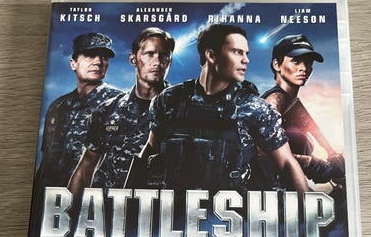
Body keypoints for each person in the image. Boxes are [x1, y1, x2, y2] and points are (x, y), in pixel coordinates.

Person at [132, 24, 308, 193]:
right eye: (237, 52)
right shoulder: (169, 100)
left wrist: (308, 209)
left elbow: (287, 164)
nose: (246, 60)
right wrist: (126, 201)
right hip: (175, 210)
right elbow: (150, 150)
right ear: (211, 55)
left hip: (231, 210)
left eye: (246, 53)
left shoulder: (255, 108)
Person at [68, 27, 175, 197]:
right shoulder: (107, 111)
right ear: (133, 59)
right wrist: (70, 209)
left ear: (170, 61)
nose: (157, 62)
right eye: (149, 54)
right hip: (113, 208)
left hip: (164, 207)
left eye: (163, 55)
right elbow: (85, 169)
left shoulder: (184, 109)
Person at [257, 34, 345, 189]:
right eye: (296, 61)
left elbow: (313, 128)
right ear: (277, 64)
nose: (304, 68)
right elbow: (261, 151)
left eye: (308, 63)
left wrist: (332, 154)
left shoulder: (290, 103)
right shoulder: (275, 100)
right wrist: (312, 164)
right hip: (268, 190)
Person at [36, 32, 121, 188]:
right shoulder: (58, 106)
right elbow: (46, 162)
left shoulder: (119, 104)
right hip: (53, 197)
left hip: (93, 198)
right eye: (90, 55)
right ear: (73, 64)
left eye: (104, 57)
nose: (98, 62)